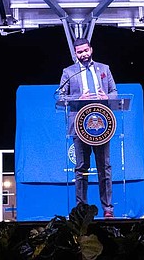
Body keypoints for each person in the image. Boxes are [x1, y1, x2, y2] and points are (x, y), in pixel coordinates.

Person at [58, 37, 117, 218]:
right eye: (79, 52)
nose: (83, 54)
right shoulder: (69, 72)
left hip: (101, 126)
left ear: (91, 49)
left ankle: (108, 209)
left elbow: (114, 93)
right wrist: (77, 99)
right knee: (81, 168)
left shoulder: (104, 69)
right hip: (79, 126)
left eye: (85, 50)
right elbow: (60, 97)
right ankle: (81, 210)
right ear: (75, 54)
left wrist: (105, 96)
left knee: (104, 167)